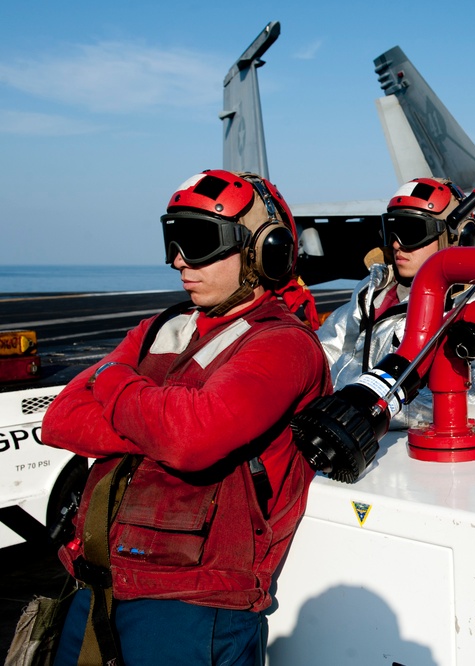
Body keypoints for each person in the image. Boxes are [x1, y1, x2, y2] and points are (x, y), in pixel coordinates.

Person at [41, 169, 332, 665]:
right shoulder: (163, 326)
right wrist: (160, 424)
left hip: (193, 602)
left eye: (198, 241)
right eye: (173, 239)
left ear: (263, 250)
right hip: (95, 582)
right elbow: (61, 419)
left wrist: (114, 382)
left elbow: (191, 439)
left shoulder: (282, 344)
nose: (179, 260)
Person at [317, 177, 475, 428]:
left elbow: (472, 399)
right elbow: (326, 349)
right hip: (340, 422)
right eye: (391, 230)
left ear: (457, 238)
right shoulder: (377, 289)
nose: (396, 244)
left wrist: (360, 411)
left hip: (377, 432)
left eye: (411, 231)